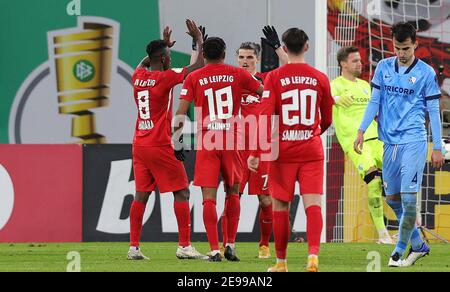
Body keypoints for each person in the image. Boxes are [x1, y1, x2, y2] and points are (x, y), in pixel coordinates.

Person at [354, 22, 444, 267]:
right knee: (392, 198)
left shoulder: (425, 73)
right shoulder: (383, 67)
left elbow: (434, 111)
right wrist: (361, 130)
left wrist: (437, 146)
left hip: (414, 140)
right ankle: (419, 246)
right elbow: (374, 101)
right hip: (389, 142)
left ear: (415, 44)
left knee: (408, 200)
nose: (401, 53)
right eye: (397, 48)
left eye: (406, 48)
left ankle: (397, 252)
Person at [248, 28, 334, 272]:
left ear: (284, 48)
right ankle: (313, 257)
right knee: (313, 205)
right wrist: (313, 133)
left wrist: (255, 151)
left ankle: (281, 263)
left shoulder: (273, 77)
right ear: (307, 46)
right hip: (311, 150)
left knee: (281, 207)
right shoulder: (320, 77)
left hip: (282, 151)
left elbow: (264, 117)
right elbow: (327, 117)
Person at [175, 36, 264, 262]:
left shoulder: (194, 77)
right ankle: (230, 244)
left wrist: (177, 142)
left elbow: (179, 115)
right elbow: (264, 92)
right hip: (232, 139)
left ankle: (214, 249)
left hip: (208, 141)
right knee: (233, 193)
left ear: (204, 55)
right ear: (225, 54)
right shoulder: (239, 74)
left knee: (208, 198)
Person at [128, 20, 207, 261]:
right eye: (169, 56)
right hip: (159, 144)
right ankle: (184, 246)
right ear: (162, 59)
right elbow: (198, 67)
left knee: (141, 195)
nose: (171, 59)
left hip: (139, 144)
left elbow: (144, 61)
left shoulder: (138, 76)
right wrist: (200, 41)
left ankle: (133, 248)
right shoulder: (165, 78)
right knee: (182, 192)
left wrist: (162, 45)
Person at [219, 28, 289, 260]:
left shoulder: (267, 80)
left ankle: (263, 245)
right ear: (236, 58)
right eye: (241, 57)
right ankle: (226, 244)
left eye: (250, 57)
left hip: (263, 149)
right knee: (232, 194)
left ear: (257, 59)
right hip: (237, 148)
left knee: (265, 198)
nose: (245, 61)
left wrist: (277, 46)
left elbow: (288, 67)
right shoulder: (230, 81)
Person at [330, 46, 394, 244]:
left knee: (399, 179)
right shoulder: (335, 85)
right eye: (355, 61)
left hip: (378, 138)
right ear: (343, 63)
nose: (360, 63)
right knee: (374, 182)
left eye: (360, 60)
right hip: (356, 143)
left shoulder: (366, 86)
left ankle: (409, 224)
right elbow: (321, 101)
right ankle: (383, 235)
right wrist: (337, 99)